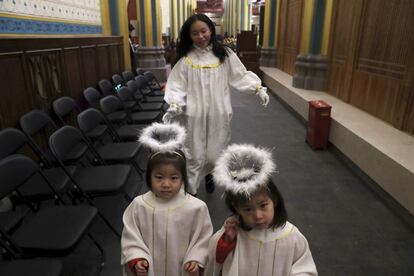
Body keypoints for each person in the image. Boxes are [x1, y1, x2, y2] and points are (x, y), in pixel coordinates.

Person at [162, 13, 270, 195]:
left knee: (214, 153)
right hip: (194, 114)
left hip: (219, 113)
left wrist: (257, 88)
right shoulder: (186, 60)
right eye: (195, 33)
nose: (201, 36)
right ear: (189, 36)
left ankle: (209, 174)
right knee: (194, 154)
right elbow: (177, 85)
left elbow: (240, 75)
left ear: (210, 30)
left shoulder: (224, 55)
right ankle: (192, 192)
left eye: (203, 31)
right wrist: (174, 103)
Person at [206, 144, 318, 275]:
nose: (258, 216)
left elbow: (305, 268)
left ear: (274, 200)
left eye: (263, 205)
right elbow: (217, 261)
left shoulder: (291, 236)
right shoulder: (235, 233)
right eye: (248, 209)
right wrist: (227, 241)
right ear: (237, 209)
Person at [121, 123, 213, 276]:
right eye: (159, 177)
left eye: (174, 178)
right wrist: (137, 258)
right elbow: (131, 238)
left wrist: (196, 259)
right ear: (149, 178)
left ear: (183, 178)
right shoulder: (139, 206)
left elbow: (203, 239)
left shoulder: (196, 208)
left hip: (181, 269)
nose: (166, 184)